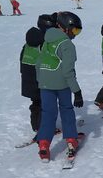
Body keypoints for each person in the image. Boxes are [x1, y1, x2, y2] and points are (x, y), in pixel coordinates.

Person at [36, 11, 84, 162]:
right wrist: (77, 91)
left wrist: (41, 81)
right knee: (66, 110)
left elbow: (39, 64)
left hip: (45, 83)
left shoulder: (46, 39)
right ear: (64, 28)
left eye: (78, 31)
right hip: (61, 84)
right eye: (74, 30)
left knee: (48, 113)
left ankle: (43, 144)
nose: (75, 34)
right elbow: (67, 71)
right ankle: (71, 140)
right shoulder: (67, 44)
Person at [20, 13, 57, 134]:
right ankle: (43, 129)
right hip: (40, 79)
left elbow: (22, 59)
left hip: (27, 78)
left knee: (36, 103)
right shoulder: (44, 43)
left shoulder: (29, 42)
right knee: (45, 105)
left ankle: (36, 126)